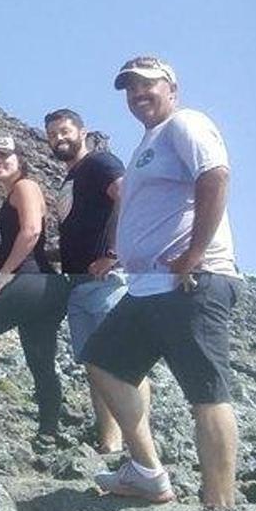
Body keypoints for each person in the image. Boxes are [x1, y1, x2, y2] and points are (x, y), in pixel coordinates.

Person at [84, 56, 242, 506]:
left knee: (206, 394)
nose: (138, 94)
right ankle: (148, 472)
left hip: (193, 282)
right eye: (130, 88)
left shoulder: (185, 123)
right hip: (149, 287)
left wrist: (194, 254)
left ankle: (219, 508)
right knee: (104, 362)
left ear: (171, 86)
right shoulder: (148, 145)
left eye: (147, 84)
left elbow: (215, 176)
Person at [44, 107, 149, 454]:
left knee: (123, 362)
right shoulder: (69, 180)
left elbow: (127, 195)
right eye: (52, 134)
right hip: (78, 286)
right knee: (96, 367)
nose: (59, 138)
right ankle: (111, 443)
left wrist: (115, 252)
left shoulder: (99, 163)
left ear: (82, 131)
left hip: (107, 283)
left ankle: (140, 450)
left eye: (64, 131)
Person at [0, 136, 71, 445]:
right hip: (46, 288)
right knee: (40, 360)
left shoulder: (25, 186)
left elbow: (32, 230)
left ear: (19, 158)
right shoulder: (17, 191)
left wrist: (5, 273)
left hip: (30, 279)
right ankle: (49, 432)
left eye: (4, 156)